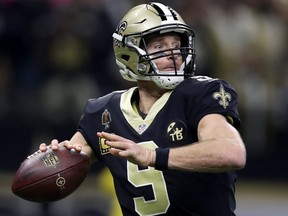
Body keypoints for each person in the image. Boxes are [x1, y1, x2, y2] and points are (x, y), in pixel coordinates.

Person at [39, 2, 246, 216]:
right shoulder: (104, 112)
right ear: (128, 53)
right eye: (159, 46)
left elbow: (232, 152)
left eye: (177, 45)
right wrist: (53, 159)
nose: (173, 54)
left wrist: (151, 156)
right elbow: (66, 166)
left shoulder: (200, 94)